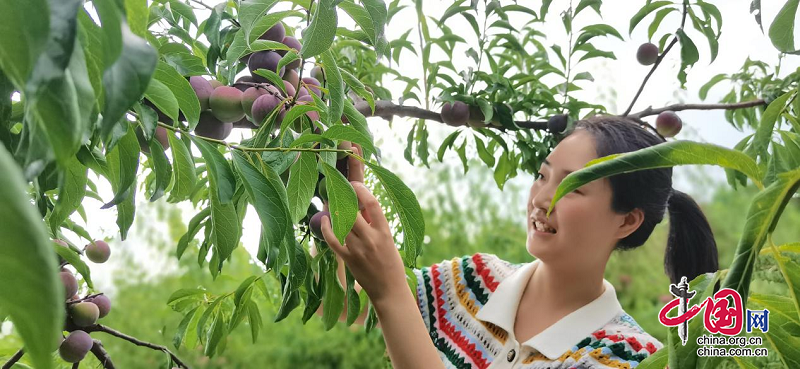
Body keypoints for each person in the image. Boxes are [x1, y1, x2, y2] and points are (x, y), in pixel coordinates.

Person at [313, 115, 719, 368]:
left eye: (573, 188)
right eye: (542, 176)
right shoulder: (469, 283)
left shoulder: (629, 357)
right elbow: (349, 303)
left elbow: (388, 297)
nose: (542, 200)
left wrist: (389, 294)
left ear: (627, 221)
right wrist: (341, 210)